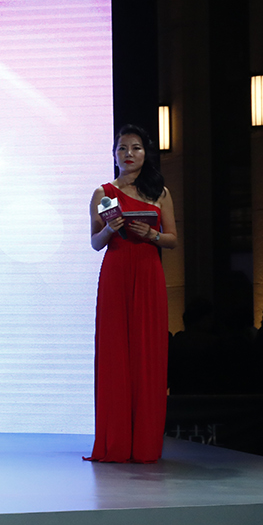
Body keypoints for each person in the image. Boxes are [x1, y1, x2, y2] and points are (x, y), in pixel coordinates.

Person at [87, 124, 177, 462]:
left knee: (146, 352)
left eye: (135, 148)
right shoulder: (104, 193)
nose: (129, 154)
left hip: (148, 272)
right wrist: (111, 229)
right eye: (122, 148)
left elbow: (172, 238)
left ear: (145, 153)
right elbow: (95, 243)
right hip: (116, 273)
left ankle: (145, 445)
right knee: (116, 353)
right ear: (114, 154)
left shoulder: (159, 192)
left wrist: (151, 235)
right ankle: (116, 442)